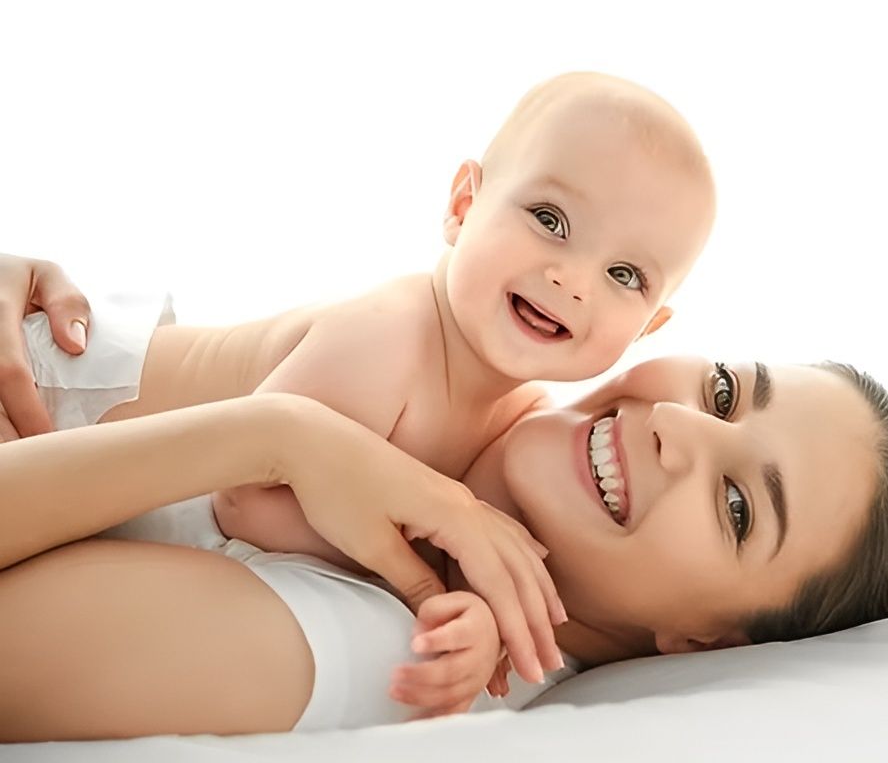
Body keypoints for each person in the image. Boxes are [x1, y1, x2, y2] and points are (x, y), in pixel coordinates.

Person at [0, 255, 888, 741]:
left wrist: (280, 439)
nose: (681, 428)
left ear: (708, 640)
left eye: (741, 509)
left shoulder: (384, 648)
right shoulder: (475, 357)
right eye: (723, 392)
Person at [0, 70, 716, 705]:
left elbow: (407, 518)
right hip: (54, 397)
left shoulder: (522, 419)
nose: (574, 279)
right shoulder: (394, 334)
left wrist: (477, 605)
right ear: (464, 205)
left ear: (650, 324)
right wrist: (442, 546)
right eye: (550, 220)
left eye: (625, 276)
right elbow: (250, 501)